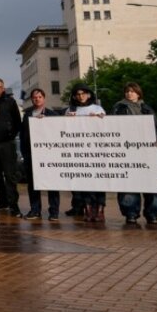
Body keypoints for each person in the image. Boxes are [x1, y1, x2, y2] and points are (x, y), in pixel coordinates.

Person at [112, 82, 157, 226]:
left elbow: (156, 128)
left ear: (138, 93)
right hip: (127, 151)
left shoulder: (147, 108)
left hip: (147, 153)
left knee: (152, 184)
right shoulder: (118, 108)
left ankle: (153, 213)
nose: (129, 94)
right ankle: (131, 213)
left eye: (132, 91)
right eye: (127, 91)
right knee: (129, 184)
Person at [66, 83, 106, 222]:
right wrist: (68, 121)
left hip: (96, 151)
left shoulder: (97, 108)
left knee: (99, 182)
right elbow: (63, 129)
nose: (80, 96)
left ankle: (100, 210)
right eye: (78, 94)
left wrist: (98, 119)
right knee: (85, 182)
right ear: (74, 96)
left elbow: (107, 127)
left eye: (83, 93)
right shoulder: (70, 110)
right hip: (78, 152)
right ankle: (88, 209)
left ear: (88, 94)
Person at [19, 88, 61, 221]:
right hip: (31, 155)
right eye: (34, 97)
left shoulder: (52, 114)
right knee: (33, 184)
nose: (37, 99)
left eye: (39, 97)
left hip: (49, 155)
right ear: (31, 99)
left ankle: (54, 211)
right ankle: (35, 210)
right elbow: (23, 135)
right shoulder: (27, 115)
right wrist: (25, 153)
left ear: (44, 98)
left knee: (52, 183)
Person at [0, 77, 23, 217]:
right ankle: (3, 201)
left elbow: (17, 121)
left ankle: (14, 205)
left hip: (7, 143)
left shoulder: (10, 101)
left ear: (3, 88)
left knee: (10, 176)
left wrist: (11, 135)